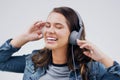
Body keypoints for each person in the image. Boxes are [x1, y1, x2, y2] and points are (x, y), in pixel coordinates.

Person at [0, 6, 120, 80]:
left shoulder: (91, 68)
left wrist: (104, 58)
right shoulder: (34, 62)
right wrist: (24, 38)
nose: (50, 31)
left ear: (74, 34)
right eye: (48, 26)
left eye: (58, 26)